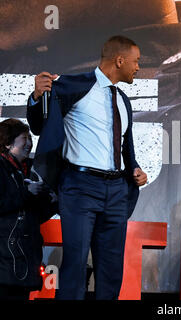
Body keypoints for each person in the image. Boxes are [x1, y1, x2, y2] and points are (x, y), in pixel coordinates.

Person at [26, 35, 148, 300]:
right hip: (80, 187)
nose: (138, 67)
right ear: (119, 60)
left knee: (111, 268)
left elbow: (125, 145)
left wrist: (135, 169)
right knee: (75, 264)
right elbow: (39, 125)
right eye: (136, 61)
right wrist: (36, 96)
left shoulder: (123, 100)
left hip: (116, 190)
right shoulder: (73, 86)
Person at [0, 118, 56, 300]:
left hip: (22, 259)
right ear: (7, 143)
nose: (30, 144)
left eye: (30, 138)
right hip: (5, 260)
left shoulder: (28, 171)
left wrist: (52, 202)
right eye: (24, 138)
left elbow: (33, 216)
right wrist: (26, 192)